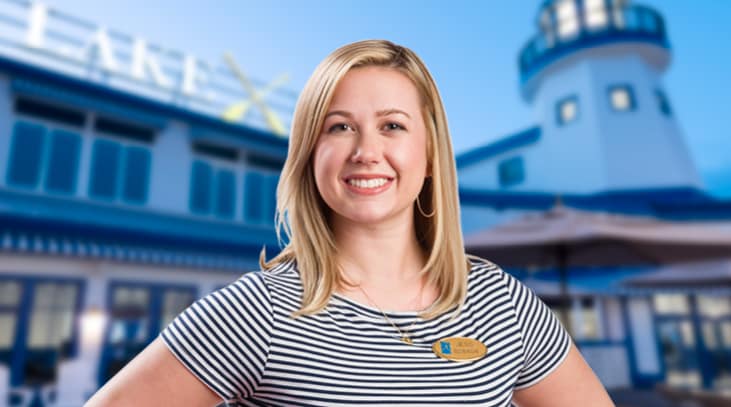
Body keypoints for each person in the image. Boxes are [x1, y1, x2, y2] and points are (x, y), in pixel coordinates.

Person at [86, 39, 614, 406]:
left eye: (392, 126)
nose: (367, 151)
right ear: (309, 154)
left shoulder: (501, 303)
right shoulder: (259, 312)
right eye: (340, 126)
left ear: (430, 153)